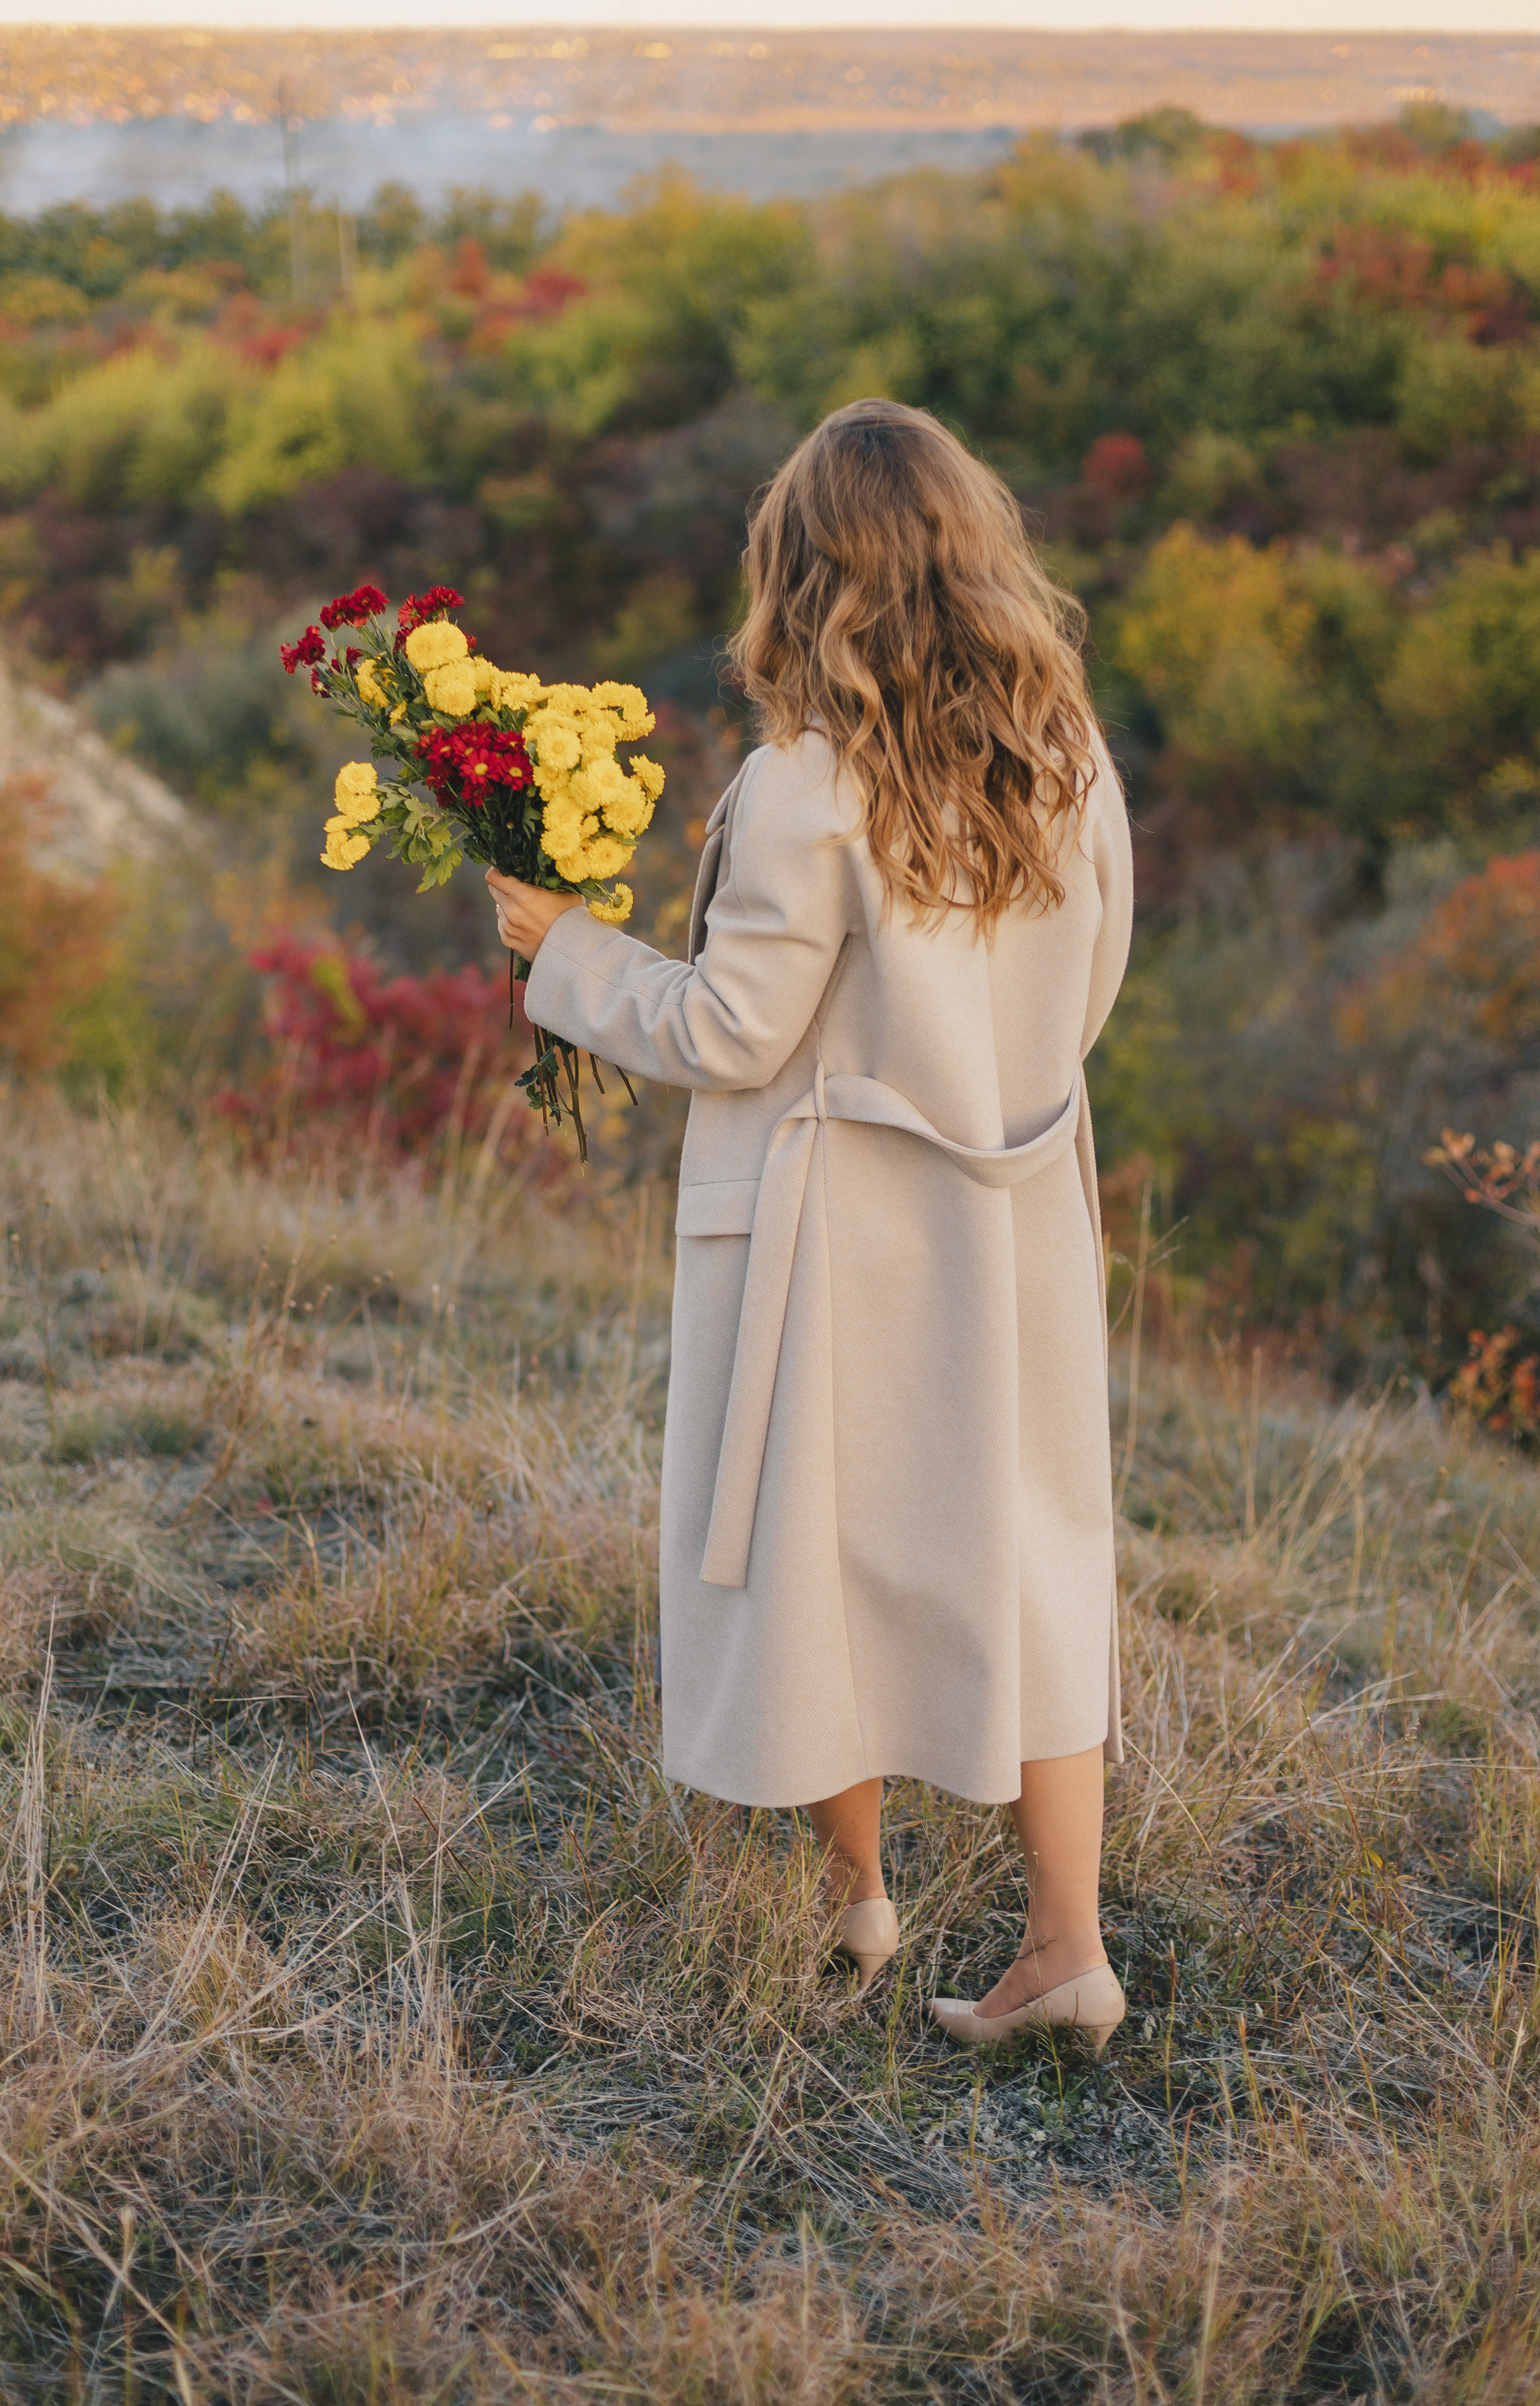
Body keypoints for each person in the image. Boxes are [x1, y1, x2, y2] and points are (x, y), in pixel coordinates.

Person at [488, 399, 1132, 2053]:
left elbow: (726, 1036)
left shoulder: (802, 783)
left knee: (820, 1548)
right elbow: (1094, 992)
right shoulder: (1069, 753)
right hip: (1014, 1217)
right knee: (1031, 1556)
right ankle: (1069, 1949)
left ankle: (860, 1898)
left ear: (799, 575)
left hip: (839, 1235)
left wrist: (562, 951)